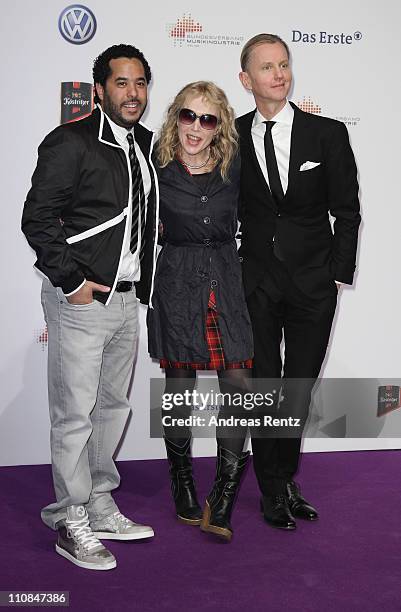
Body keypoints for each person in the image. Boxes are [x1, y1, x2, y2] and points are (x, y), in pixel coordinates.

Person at [21, 44, 158, 570]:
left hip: (127, 301)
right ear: (99, 89)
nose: (133, 93)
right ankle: (69, 515)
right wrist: (73, 281)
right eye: (121, 83)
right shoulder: (70, 141)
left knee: (111, 409)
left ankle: (99, 501)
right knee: (75, 415)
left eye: (140, 83)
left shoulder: (144, 144)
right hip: (83, 299)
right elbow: (39, 219)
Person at [237, 34, 361, 530]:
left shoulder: (326, 134)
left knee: (299, 389)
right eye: (267, 67)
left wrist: (337, 276)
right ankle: (272, 489)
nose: (279, 74)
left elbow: (347, 212)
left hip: (313, 285)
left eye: (284, 64)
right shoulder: (232, 136)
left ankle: (286, 477)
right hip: (257, 285)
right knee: (267, 389)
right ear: (247, 80)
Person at [147, 81, 253, 542]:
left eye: (207, 120)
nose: (195, 127)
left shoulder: (234, 165)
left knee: (238, 380)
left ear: (219, 127)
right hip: (176, 278)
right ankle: (182, 479)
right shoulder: (156, 163)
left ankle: (225, 492)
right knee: (180, 383)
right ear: (176, 117)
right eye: (188, 116)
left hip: (225, 278)